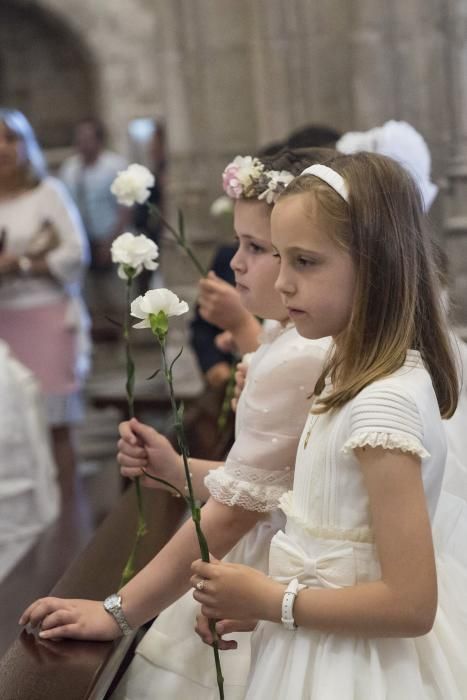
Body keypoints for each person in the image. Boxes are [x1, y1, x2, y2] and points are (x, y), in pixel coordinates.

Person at [19, 148, 333, 699]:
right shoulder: (290, 340)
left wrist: (118, 612)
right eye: (240, 243)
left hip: (276, 571)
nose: (234, 263)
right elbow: (282, 478)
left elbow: (237, 511)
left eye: (258, 248)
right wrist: (179, 468)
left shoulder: (299, 354)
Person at [191, 153, 466, 699]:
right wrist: (261, 599)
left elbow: (410, 605)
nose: (284, 283)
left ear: (375, 264)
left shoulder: (380, 403)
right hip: (323, 642)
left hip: (361, 669)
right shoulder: (346, 375)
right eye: (280, 258)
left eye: (305, 262)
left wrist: (270, 600)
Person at [0, 108, 90, 497]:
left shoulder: (47, 193)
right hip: (4, 323)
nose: (2, 147)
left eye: (10, 138)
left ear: (25, 144)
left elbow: (74, 253)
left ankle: (70, 521)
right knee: (12, 431)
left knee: (54, 427)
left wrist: (20, 263)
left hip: (47, 317)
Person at [59, 117, 131, 324]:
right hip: (83, 240)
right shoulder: (70, 169)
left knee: (117, 296)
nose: (82, 143)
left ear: (99, 140)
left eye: (87, 138)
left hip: (113, 236)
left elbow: (125, 208)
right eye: (79, 138)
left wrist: (110, 242)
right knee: (91, 298)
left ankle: (123, 337)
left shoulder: (115, 166)